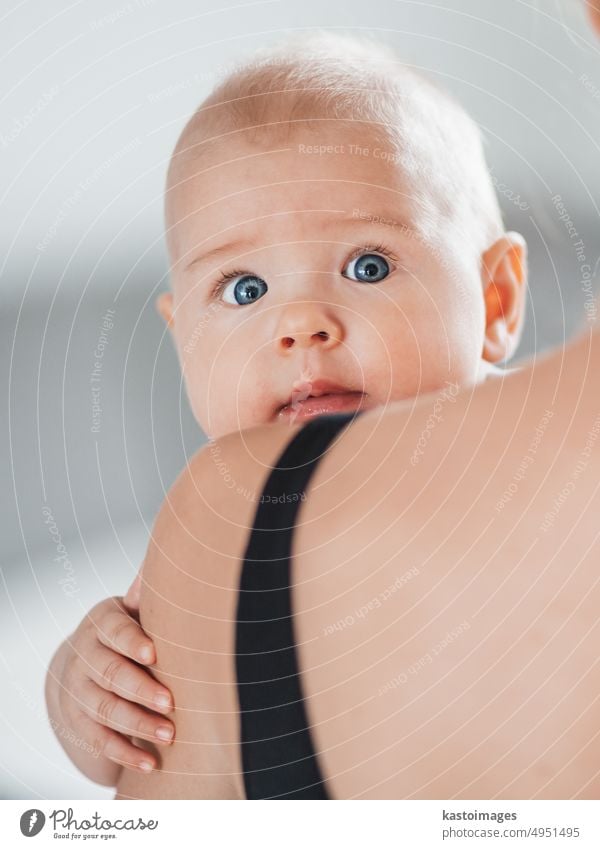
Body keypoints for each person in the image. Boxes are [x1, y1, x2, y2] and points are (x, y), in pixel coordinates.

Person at [43, 19, 588, 795]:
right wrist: (81, 691)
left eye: (367, 265)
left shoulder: (537, 466)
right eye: (244, 289)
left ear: (495, 299)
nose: (301, 324)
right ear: (182, 336)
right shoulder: (217, 532)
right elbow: (129, 752)